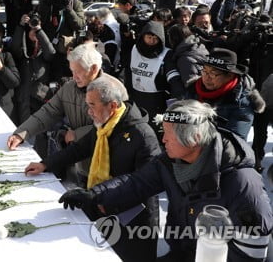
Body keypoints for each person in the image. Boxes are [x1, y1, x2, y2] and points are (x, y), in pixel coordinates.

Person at [59, 99, 273, 262]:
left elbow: (252, 250)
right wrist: (93, 195)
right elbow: (137, 182)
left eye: (168, 134)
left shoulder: (241, 183)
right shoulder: (172, 161)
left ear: (194, 139)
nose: (163, 139)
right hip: (183, 252)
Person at [25, 76, 161, 261]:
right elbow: (80, 148)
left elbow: (141, 182)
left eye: (92, 105)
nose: (89, 112)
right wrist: (46, 164)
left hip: (134, 220)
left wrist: (98, 196)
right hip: (105, 204)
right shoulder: (104, 125)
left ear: (112, 106)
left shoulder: (143, 136)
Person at [7, 43, 128, 185]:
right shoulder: (69, 88)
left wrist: (77, 134)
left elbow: (116, 126)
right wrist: (21, 133)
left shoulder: (114, 89)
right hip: (80, 161)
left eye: (78, 71)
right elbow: (48, 112)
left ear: (94, 69)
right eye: (72, 71)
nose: (74, 76)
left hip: (108, 167)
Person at [186, 48, 265, 140]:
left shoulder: (242, 101)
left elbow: (233, 141)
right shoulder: (193, 89)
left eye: (213, 73)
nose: (207, 78)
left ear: (230, 76)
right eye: (205, 71)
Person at [124, 21, 185, 132]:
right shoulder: (134, 50)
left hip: (156, 101)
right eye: (149, 37)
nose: (151, 41)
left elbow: (173, 76)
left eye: (155, 39)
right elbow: (128, 72)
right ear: (143, 37)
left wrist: (178, 97)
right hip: (136, 97)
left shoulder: (166, 54)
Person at [11, 12, 55, 124]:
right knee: (23, 128)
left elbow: (50, 53)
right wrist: (21, 25)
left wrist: (39, 30)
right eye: (32, 28)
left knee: (40, 129)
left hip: (39, 95)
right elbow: (15, 48)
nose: (34, 32)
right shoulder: (23, 48)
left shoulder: (43, 48)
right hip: (24, 96)